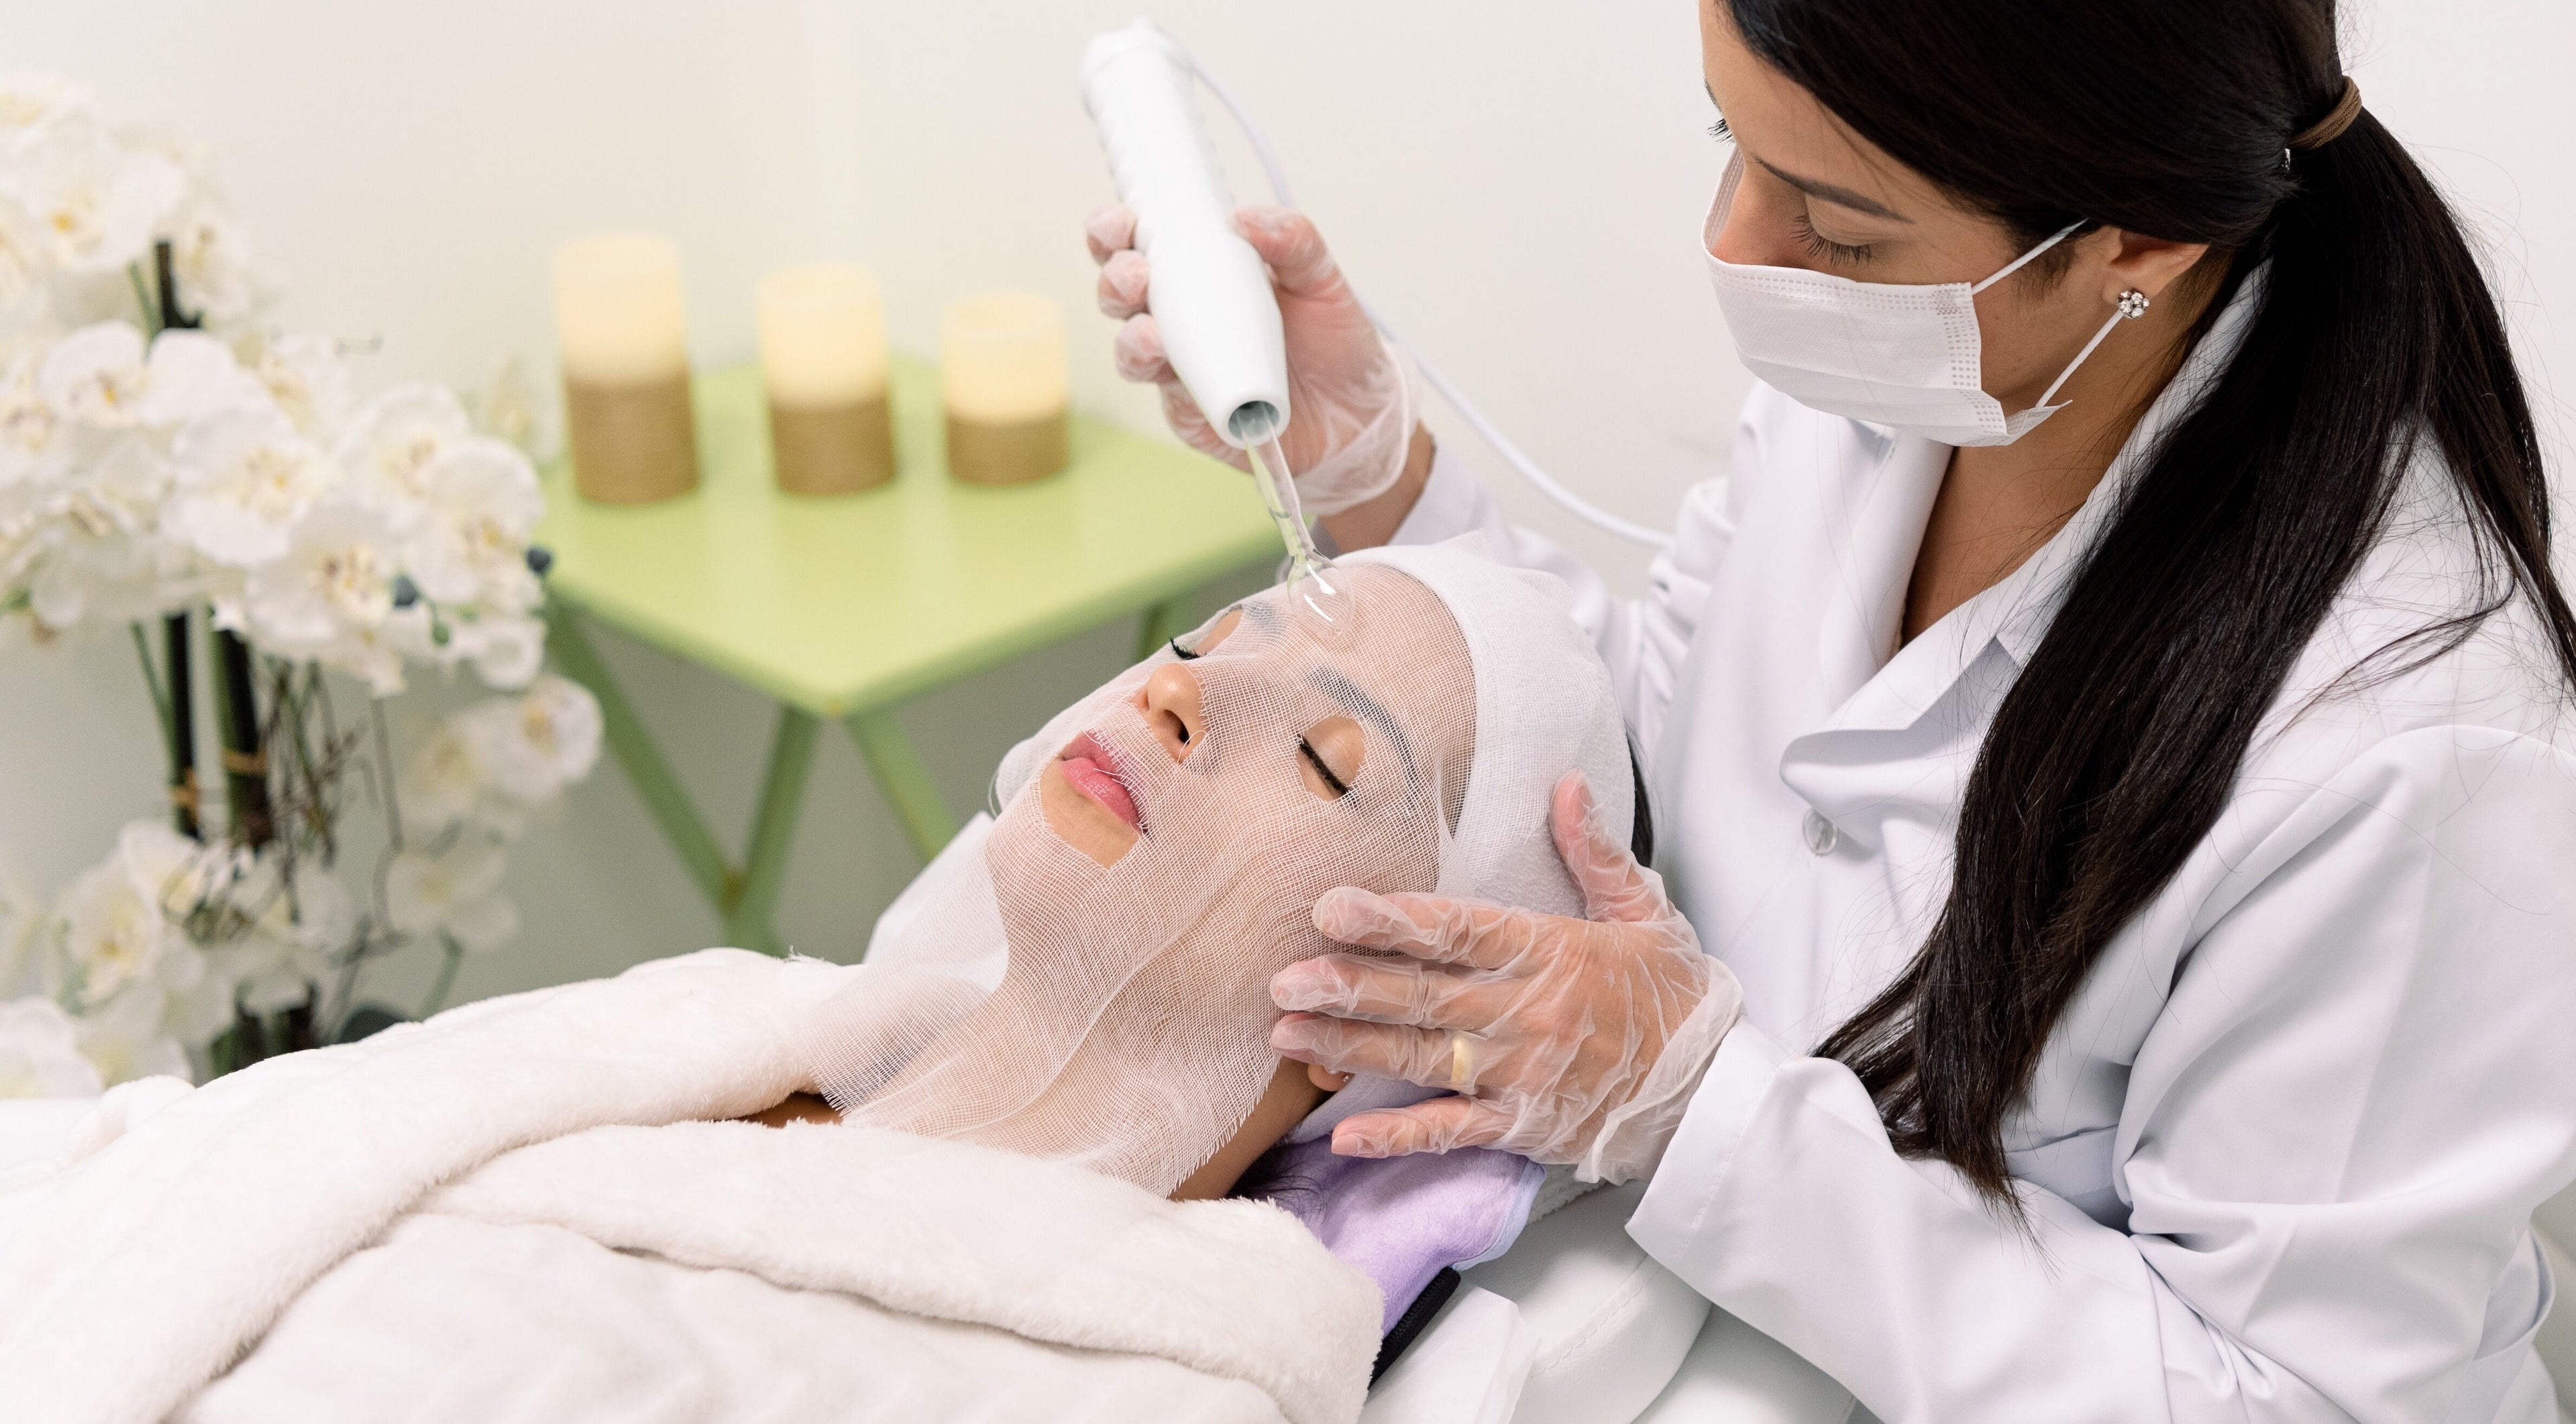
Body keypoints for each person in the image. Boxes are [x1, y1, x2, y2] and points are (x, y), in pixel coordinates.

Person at [1083, 0, 2576, 1417]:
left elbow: (2287, 1400)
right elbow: (1681, 757)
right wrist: (1384, 480)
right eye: (1725, 139)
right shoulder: (1921, 377)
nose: (1738, 243)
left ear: (2138, 241)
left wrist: (1695, 1115)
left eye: (1841, 227)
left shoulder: (2411, 745)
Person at [788, 541, 1660, 1204]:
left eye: (1321, 761)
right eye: (1203, 647)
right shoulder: (710, 1040)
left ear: (1392, 1007)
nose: (1174, 691)